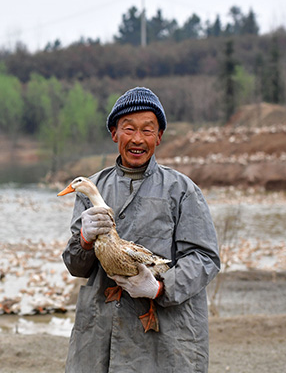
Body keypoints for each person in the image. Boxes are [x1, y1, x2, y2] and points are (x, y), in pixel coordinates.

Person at [62, 87, 221, 372]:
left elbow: (205, 258)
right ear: (114, 133)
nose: (138, 139)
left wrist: (160, 288)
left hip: (166, 335)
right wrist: (84, 240)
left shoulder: (182, 190)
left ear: (159, 137)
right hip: (102, 332)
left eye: (148, 130)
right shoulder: (91, 189)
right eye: (129, 128)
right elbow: (77, 267)